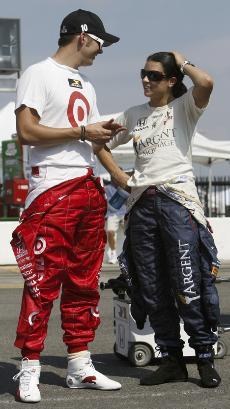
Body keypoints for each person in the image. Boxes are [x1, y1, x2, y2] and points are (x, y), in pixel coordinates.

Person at [11, 9, 124, 403]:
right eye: (99, 42)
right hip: (51, 190)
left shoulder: (86, 83)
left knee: (84, 281)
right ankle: (29, 368)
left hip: (86, 186)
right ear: (82, 35)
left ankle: (79, 363)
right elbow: (26, 132)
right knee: (42, 283)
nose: (101, 49)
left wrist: (115, 159)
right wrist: (81, 130)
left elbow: (92, 140)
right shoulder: (38, 73)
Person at [95, 51, 221, 388]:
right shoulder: (134, 115)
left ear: (171, 80)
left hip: (177, 203)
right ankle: (172, 361)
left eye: (154, 75)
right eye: (143, 74)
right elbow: (99, 142)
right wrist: (118, 174)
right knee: (150, 287)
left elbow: (206, 82)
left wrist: (183, 61)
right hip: (141, 205)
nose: (145, 80)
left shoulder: (184, 108)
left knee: (187, 282)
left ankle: (204, 357)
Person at [104, 176, 128, 264]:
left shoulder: (126, 187)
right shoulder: (106, 188)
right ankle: (113, 252)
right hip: (112, 214)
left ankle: (128, 254)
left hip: (124, 213)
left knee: (130, 233)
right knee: (110, 231)